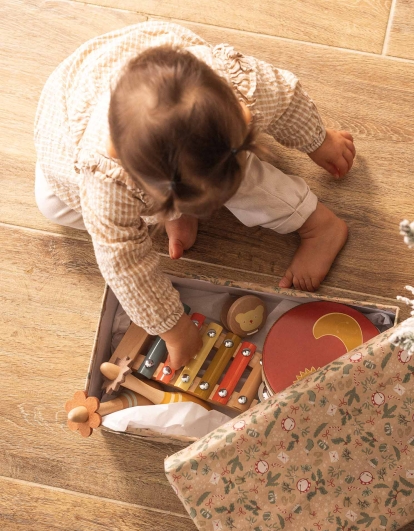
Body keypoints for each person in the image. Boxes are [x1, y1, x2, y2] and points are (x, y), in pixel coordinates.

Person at [34, 21, 355, 368]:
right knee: (51, 204)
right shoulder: (106, 180)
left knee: (247, 181)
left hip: (141, 72)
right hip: (69, 117)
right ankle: (176, 212)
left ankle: (319, 225)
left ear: (242, 115)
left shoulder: (237, 82)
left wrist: (319, 141)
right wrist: (172, 327)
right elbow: (124, 265)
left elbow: (287, 99)